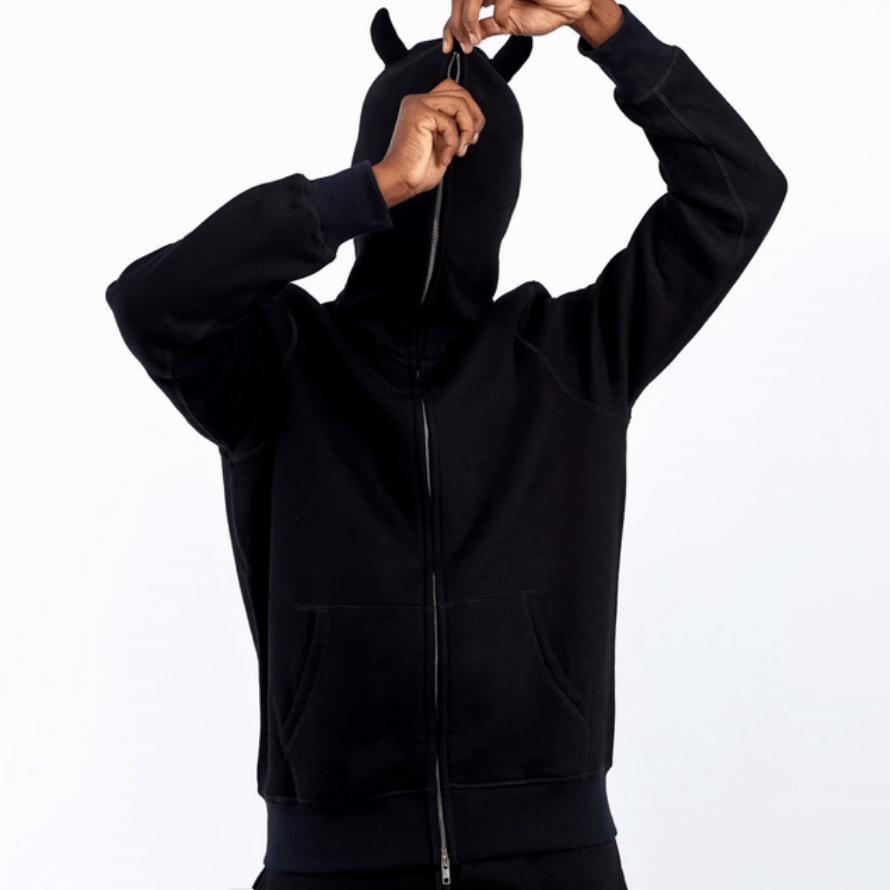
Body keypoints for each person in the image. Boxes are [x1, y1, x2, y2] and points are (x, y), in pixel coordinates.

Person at [104, 2, 787, 888]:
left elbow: (738, 194)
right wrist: (366, 193)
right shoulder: (280, 365)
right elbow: (150, 302)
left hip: (554, 859)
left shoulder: (573, 357)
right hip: (331, 864)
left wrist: (604, 22)